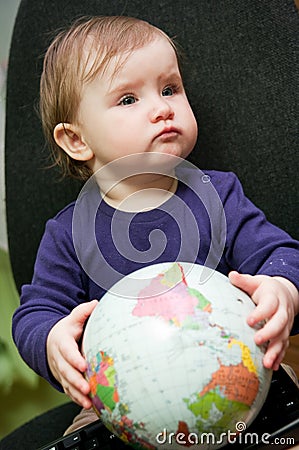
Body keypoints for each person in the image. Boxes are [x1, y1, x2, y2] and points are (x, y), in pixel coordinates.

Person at [12, 15, 299, 433]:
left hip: (237, 380)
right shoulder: (67, 234)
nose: (163, 107)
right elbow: (36, 312)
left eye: (170, 89)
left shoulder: (218, 195)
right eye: (128, 99)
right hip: (124, 402)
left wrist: (282, 289)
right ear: (77, 140)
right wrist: (53, 339)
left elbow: (279, 254)